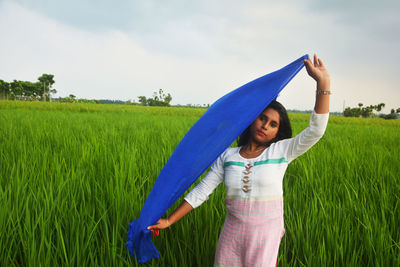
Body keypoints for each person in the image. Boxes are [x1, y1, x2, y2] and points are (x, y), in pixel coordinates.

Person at [148, 54, 330, 266]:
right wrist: (170, 220)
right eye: (263, 118)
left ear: (277, 133)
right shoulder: (228, 156)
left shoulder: (281, 152)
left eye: (273, 124)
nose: (265, 126)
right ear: (252, 118)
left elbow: (316, 131)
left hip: (265, 236)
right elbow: (202, 191)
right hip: (232, 235)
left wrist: (323, 83)